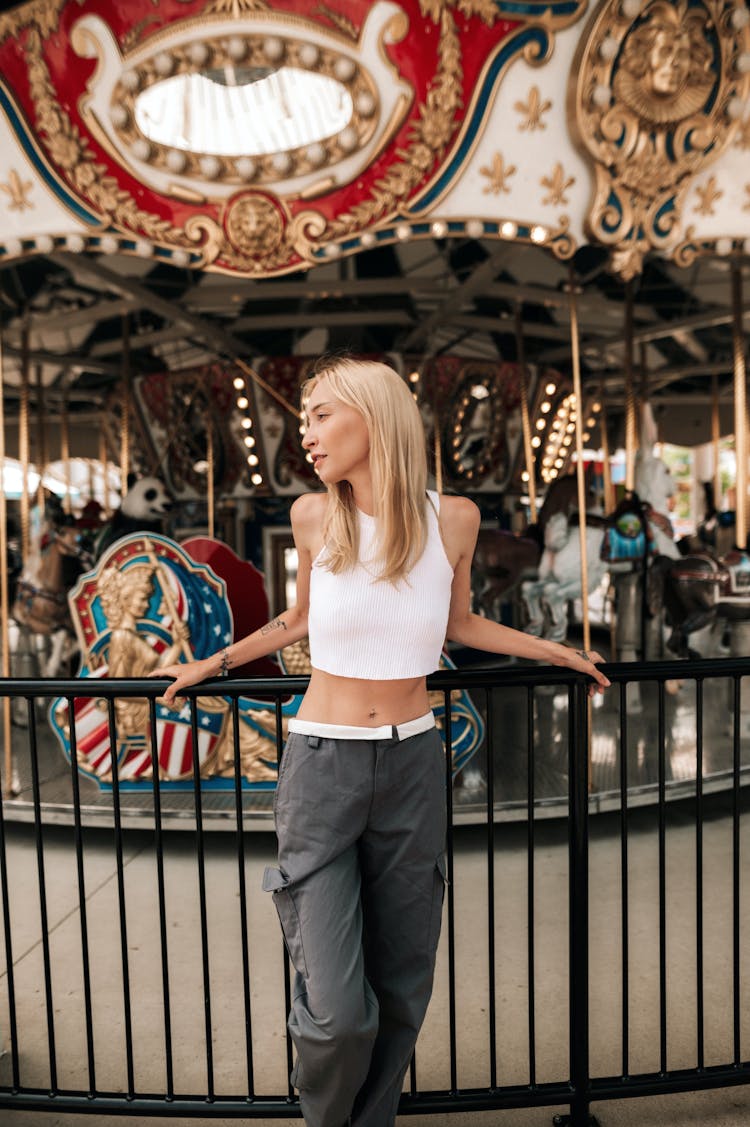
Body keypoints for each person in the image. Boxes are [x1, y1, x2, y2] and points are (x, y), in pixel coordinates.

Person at [151, 356, 609, 1127]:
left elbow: (459, 625)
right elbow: (297, 619)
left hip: (411, 762)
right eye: (305, 417)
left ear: (374, 415)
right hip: (322, 764)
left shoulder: (453, 519)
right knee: (335, 1009)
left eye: (323, 414)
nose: (309, 432)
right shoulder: (311, 516)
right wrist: (211, 662)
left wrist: (556, 650)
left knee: (402, 986)